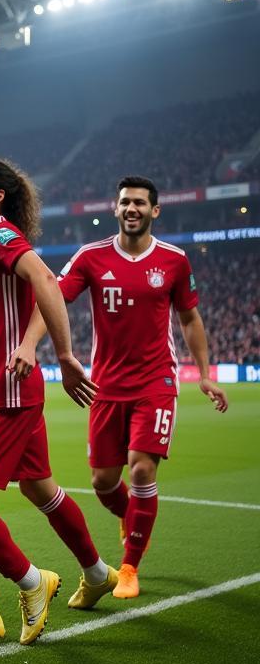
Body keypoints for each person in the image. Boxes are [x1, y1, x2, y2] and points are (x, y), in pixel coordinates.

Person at [47, 175, 228, 599]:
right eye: (125, 202)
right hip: (105, 385)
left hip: (156, 381)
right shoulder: (90, 257)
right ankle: (132, 518)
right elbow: (54, 297)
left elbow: (189, 319)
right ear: (115, 208)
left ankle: (129, 566)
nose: (132, 208)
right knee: (102, 482)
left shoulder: (174, 260)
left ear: (154, 210)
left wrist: (203, 373)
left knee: (142, 468)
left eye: (140, 203)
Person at [0, 155, 111, 643]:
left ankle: (14, 591)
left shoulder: (0, 234)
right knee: (40, 488)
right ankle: (96, 571)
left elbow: (46, 282)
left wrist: (55, 352)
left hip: (4, 391)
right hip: (3, 388)